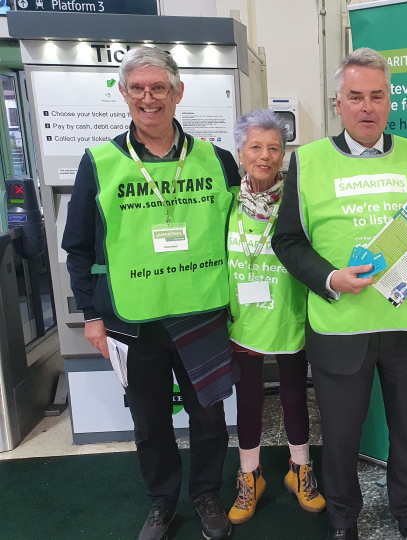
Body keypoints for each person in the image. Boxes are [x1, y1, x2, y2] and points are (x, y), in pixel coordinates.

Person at [62, 47, 240, 540]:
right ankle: (162, 503)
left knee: (208, 418)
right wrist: (91, 317)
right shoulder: (100, 162)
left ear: (177, 93)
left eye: (158, 87)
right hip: (133, 321)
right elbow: (77, 247)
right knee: (150, 421)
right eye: (137, 88)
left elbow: (242, 237)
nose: (148, 97)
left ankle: (206, 496)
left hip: (202, 314)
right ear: (123, 94)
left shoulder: (218, 159)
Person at [272, 47, 407, 540]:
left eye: (377, 96)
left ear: (390, 101)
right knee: (342, 440)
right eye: (355, 97)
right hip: (341, 328)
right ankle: (344, 521)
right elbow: (287, 240)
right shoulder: (308, 160)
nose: (367, 106)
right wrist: (329, 278)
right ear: (338, 103)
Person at [226, 109, 326, 525]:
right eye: (255, 147)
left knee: (292, 395)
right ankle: (250, 476)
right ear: (240, 152)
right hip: (242, 320)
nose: (264, 156)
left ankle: (299, 469)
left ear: (284, 155)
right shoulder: (226, 201)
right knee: (248, 399)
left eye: (273, 148)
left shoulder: (298, 199)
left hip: (290, 316)